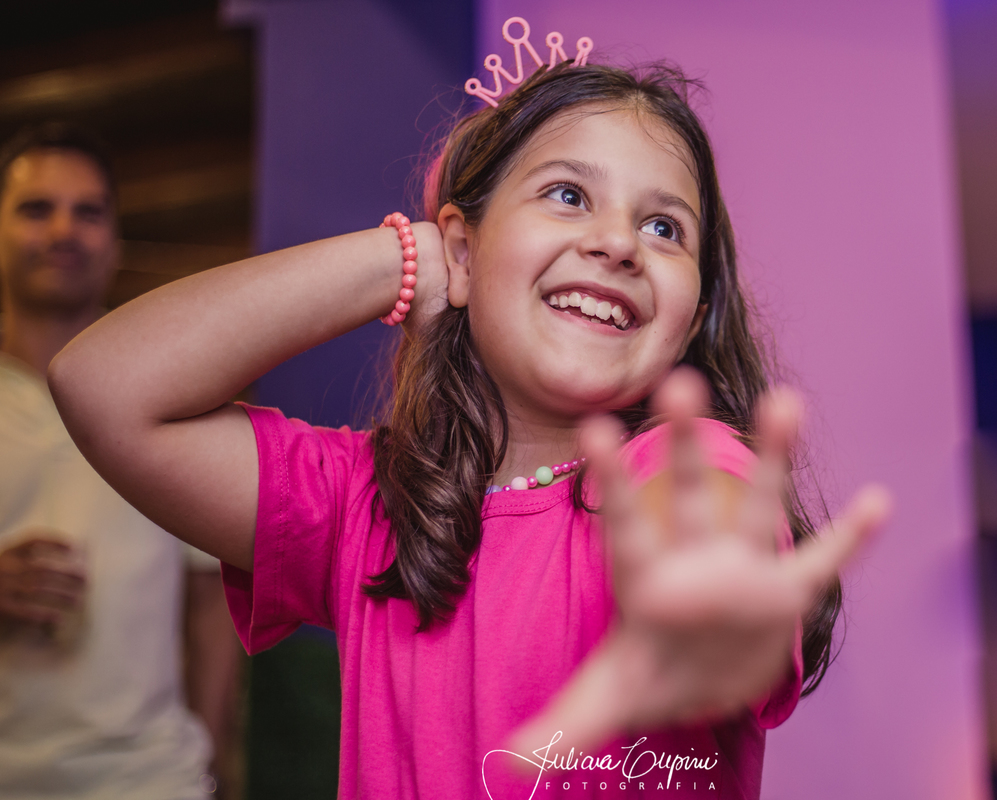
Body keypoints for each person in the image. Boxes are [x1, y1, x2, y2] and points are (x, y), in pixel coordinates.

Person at [48, 61, 891, 799]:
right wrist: (409, 257)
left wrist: (714, 598)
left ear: (694, 315)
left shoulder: (684, 462)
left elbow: (714, 536)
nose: (617, 243)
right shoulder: (363, 507)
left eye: (663, 227)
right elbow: (103, 387)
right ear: (463, 247)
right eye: (568, 195)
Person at [0, 122, 242, 799]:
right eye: (36, 208)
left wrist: (209, 760)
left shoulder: (170, 393)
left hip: (150, 780)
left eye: (88, 212)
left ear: (114, 239)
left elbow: (212, 601)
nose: (64, 231)